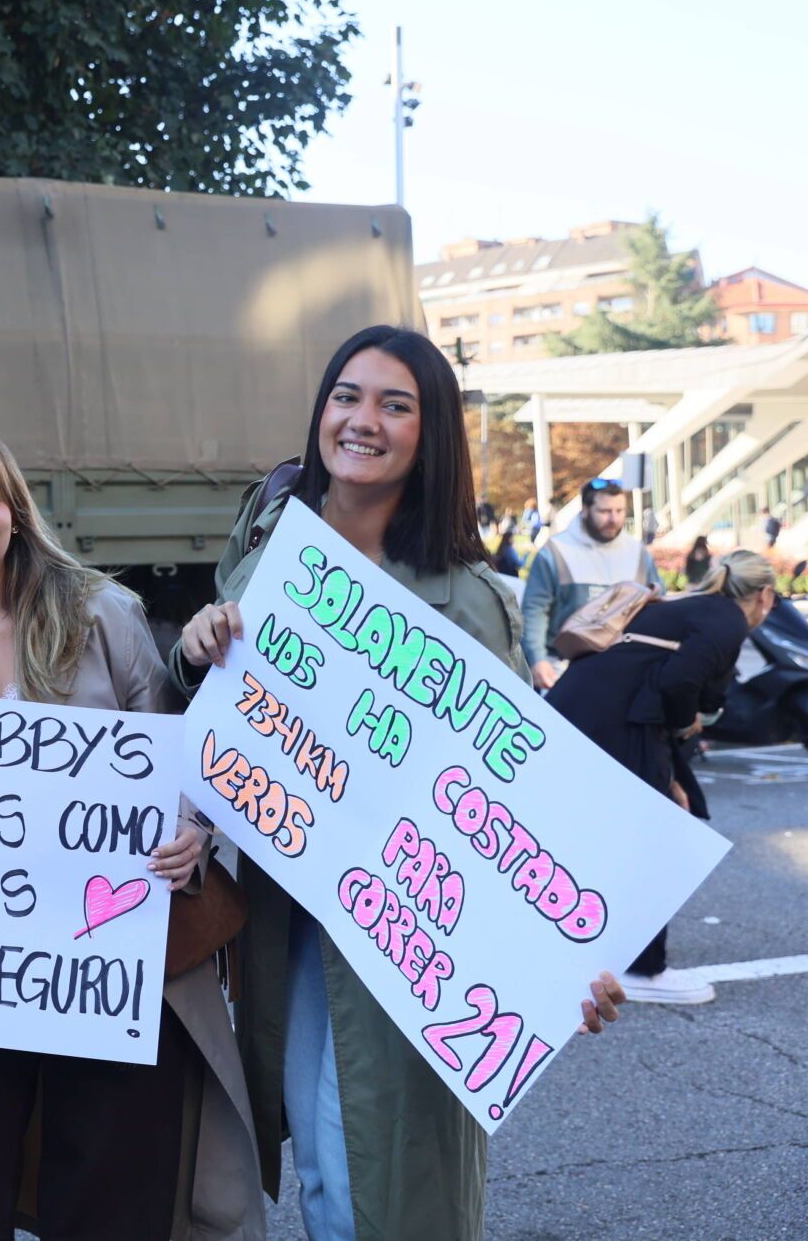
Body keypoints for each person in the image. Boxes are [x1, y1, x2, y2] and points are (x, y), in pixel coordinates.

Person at [171, 326, 625, 1241]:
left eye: (395, 403)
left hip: (414, 933)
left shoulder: (468, 598)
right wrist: (193, 649)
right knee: (324, 1166)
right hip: (294, 922)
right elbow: (222, 715)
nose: (362, 419)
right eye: (346, 395)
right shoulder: (270, 559)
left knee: (381, 1172)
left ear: (432, 434)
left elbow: (517, 802)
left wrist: (574, 953)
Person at [0, 423, 260, 1241]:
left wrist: (192, 836)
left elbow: (186, 757)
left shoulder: (102, 615)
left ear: (17, 510)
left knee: (110, 1201)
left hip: (110, 974)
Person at [547, 550, 776, 1004]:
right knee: (657, 836)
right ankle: (643, 970)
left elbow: (662, 683)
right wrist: (685, 723)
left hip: (584, 710)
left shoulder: (692, 607)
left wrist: (673, 764)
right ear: (765, 596)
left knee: (621, 828)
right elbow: (676, 685)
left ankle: (597, 949)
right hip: (616, 721)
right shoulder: (728, 621)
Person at [520, 478, 662, 691]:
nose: (613, 518)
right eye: (604, 511)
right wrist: (537, 659)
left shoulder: (638, 554)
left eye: (620, 510)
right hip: (563, 669)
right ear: (585, 509)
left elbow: (658, 607)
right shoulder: (556, 551)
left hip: (624, 670)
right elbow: (534, 611)